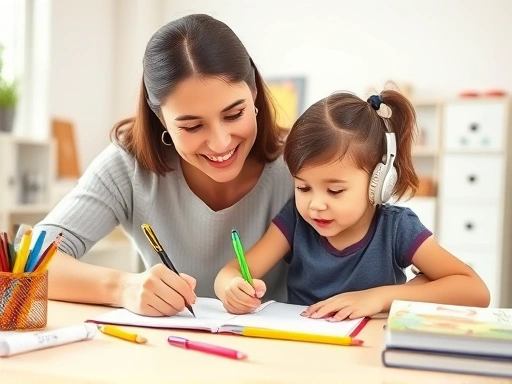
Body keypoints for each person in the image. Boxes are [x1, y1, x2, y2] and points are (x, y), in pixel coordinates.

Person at [33, 14, 295, 316]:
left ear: (254, 93)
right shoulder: (127, 165)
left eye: (234, 115)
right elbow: (33, 261)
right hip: (162, 351)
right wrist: (123, 287)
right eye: (193, 126)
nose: (221, 143)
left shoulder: (298, 165)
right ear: (161, 120)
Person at [214, 90, 491, 320]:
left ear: (378, 182)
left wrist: (377, 298)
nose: (316, 205)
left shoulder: (396, 228)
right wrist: (231, 287)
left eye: (335, 191)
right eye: (303, 187)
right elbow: (232, 272)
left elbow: (475, 290)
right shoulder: (296, 222)